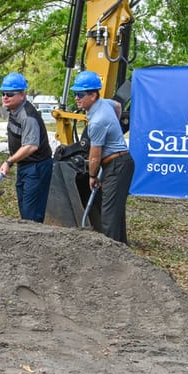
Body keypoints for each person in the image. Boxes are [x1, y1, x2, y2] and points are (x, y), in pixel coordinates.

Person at [71, 70, 135, 244]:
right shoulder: (104, 104)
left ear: (93, 95)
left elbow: (94, 156)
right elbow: (117, 106)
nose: (76, 98)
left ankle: (112, 256)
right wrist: (114, 126)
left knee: (109, 215)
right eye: (75, 94)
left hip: (117, 165)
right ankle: (122, 249)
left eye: (80, 94)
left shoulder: (98, 121)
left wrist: (92, 176)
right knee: (116, 211)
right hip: (120, 163)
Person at [0, 72, 53, 223]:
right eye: (3, 93)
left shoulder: (28, 116)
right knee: (24, 209)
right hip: (25, 166)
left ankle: (35, 242)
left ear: (22, 95)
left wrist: (9, 162)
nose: (5, 97)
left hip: (37, 167)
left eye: (9, 93)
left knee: (31, 214)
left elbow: (31, 146)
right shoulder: (14, 111)